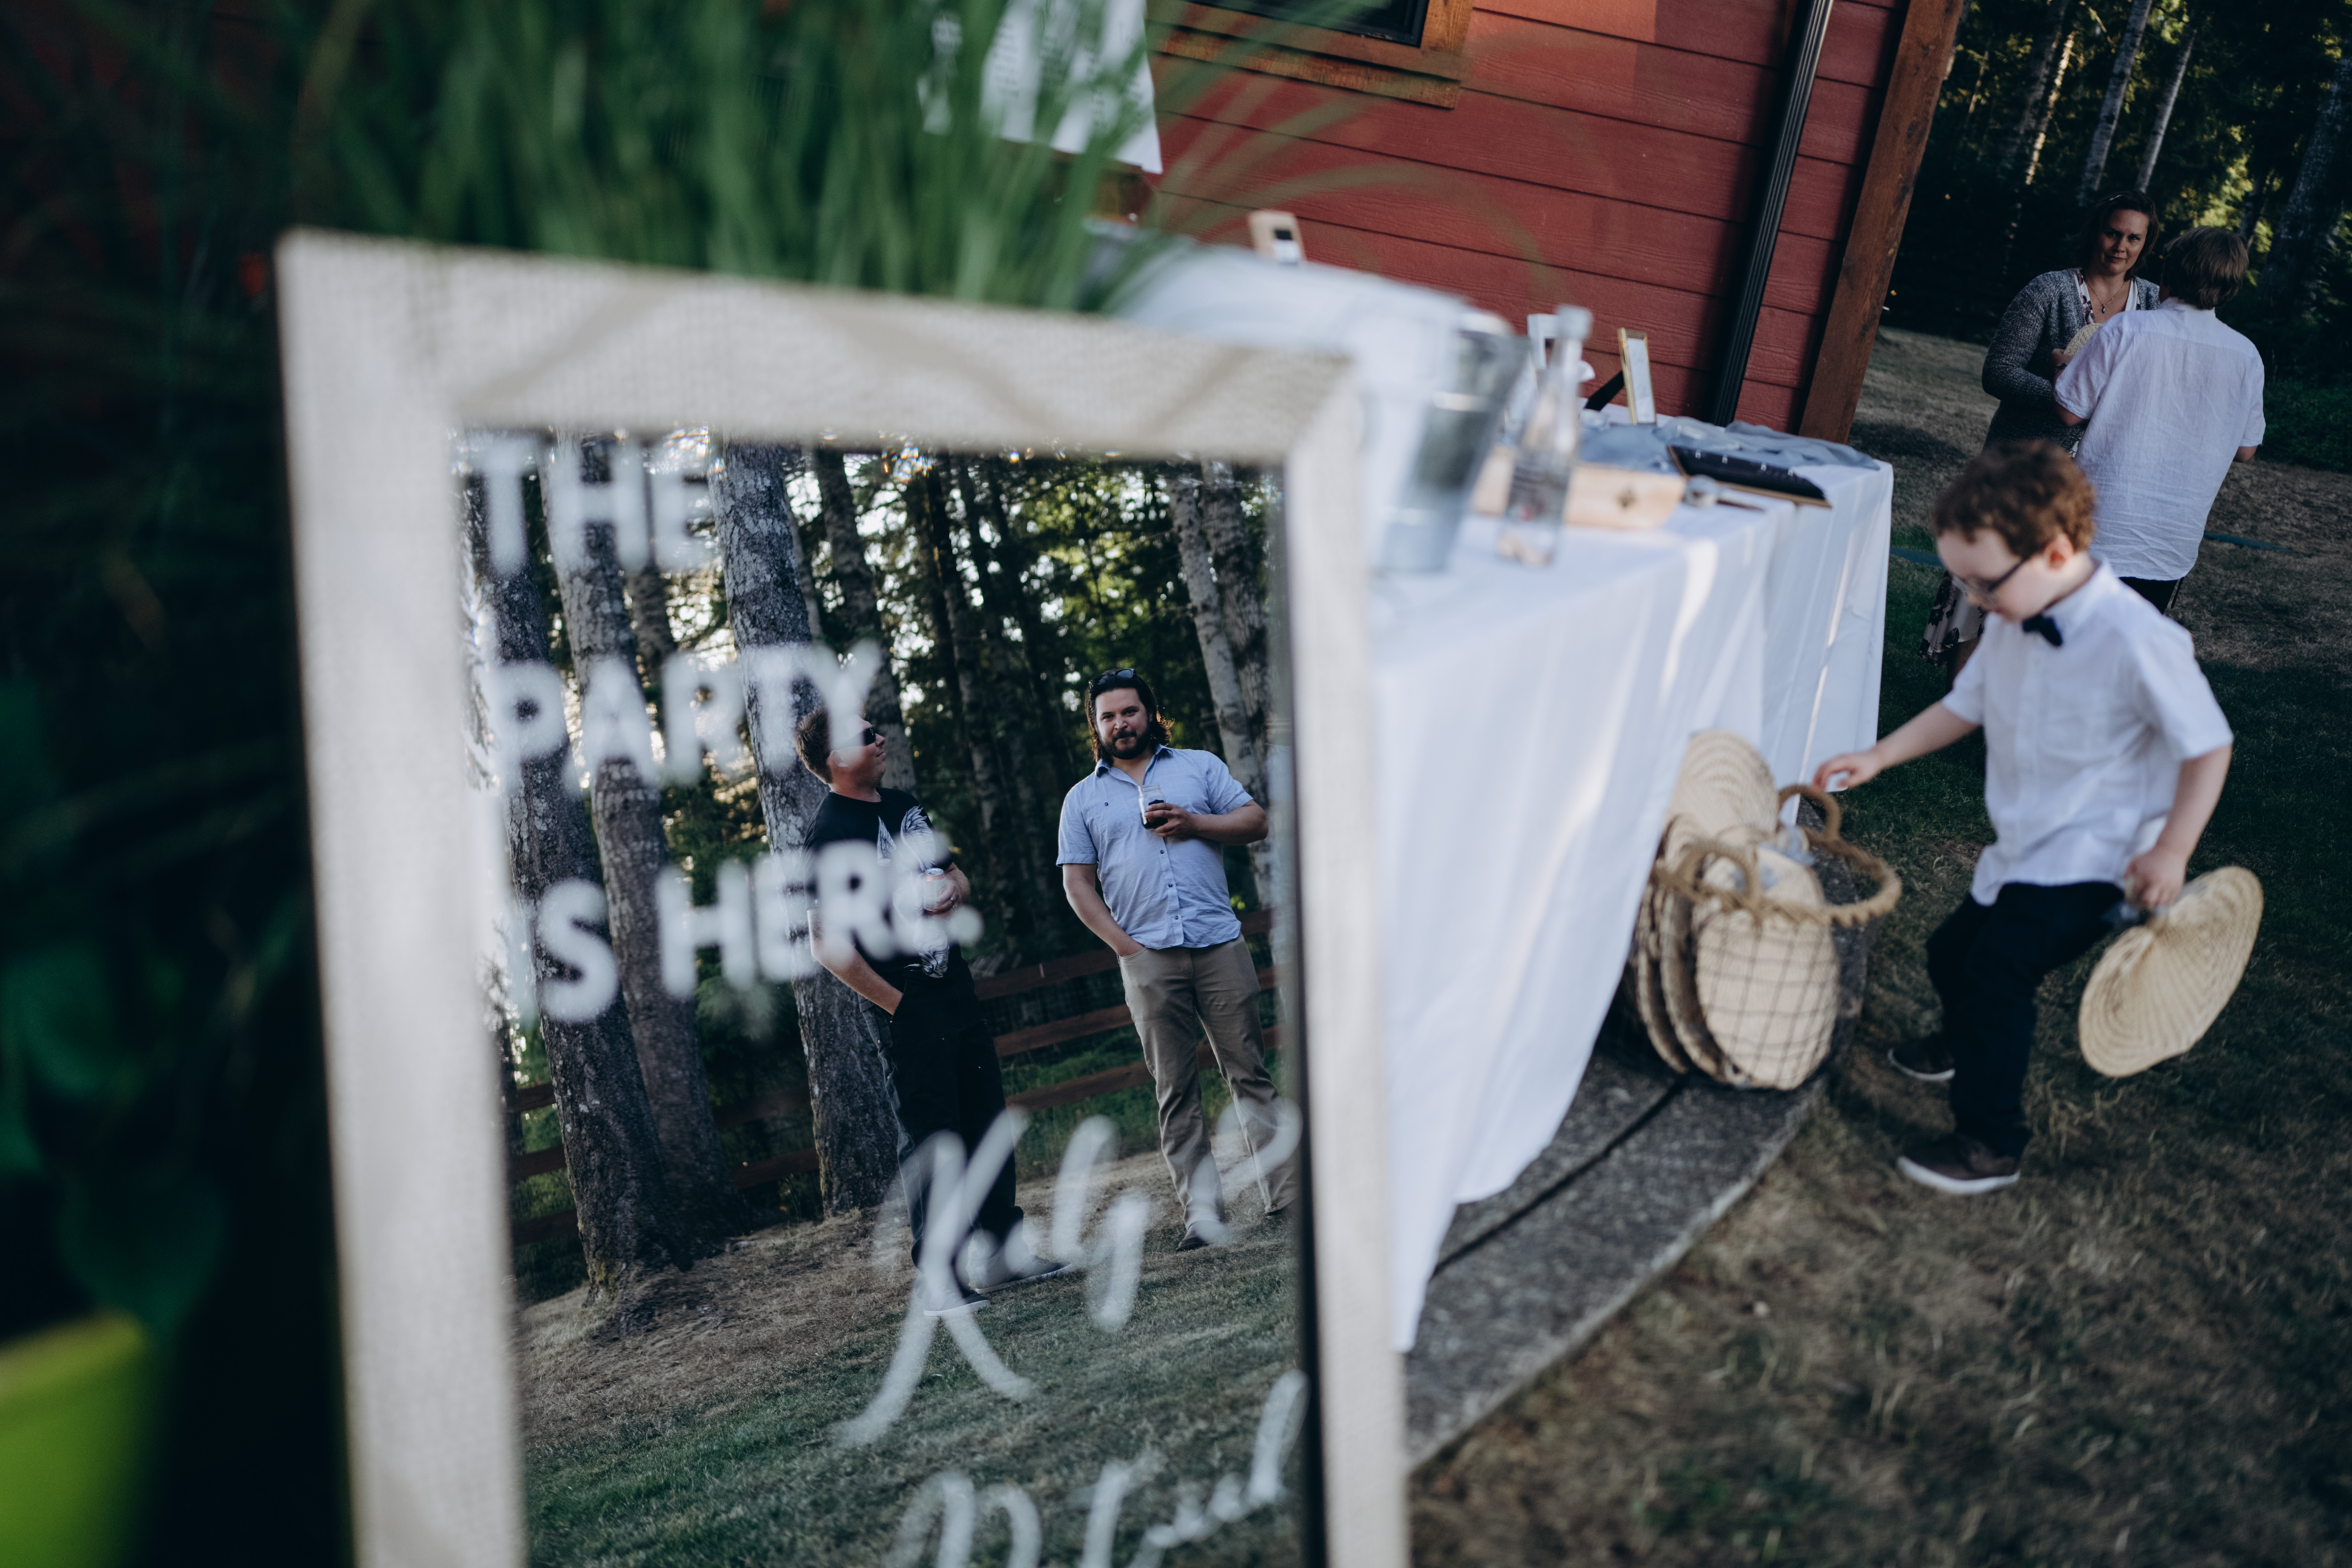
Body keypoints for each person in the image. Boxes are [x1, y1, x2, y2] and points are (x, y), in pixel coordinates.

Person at [1814, 443, 2232, 1196]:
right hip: (2025, 842)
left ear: (2057, 552)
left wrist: (2172, 849)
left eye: (1985, 581)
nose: (1974, 599)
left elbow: (2208, 746)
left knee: (1997, 973)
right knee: (1952, 955)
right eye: (1963, 581)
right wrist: (1879, 755)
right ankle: (1963, 1042)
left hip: (2100, 857)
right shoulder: (2013, 618)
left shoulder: (2138, 639)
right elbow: (1964, 705)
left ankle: (1990, 1142)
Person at [799, 707, 1067, 1313]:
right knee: (933, 1139)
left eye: (877, 729)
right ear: (837, 758)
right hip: (905, 1003)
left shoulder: (904, 807)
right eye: (865, 735)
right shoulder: (827, 834)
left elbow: (958, 876)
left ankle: (1002, 1256)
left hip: (957, 988)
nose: (880, 739)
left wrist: (952, 890)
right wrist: (899, 1005)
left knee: (986, 1122)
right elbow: (826, 945)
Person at [1057, 669, 1298, 1247]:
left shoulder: (1199, 767)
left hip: (1219, 945)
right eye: (1108, 716)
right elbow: (1078, 885)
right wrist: (1127, 949)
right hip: (1147, 958)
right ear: (1096, 727)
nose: (1120, 723)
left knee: (1250, 1074)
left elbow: (1256, 822)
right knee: (1176, 1091)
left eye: (1129, 711)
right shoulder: (1082, 798)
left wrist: (1195, 822)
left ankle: (1288, 1196)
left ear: (1150, 713)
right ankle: (1203, 1217)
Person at [1924, 192, 2162, 674]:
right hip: (2027, 459)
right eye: (2112, 233)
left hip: (2102, 471)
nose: (2120, 247)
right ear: (2095, 232)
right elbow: (1999, 371)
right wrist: (2064, 399)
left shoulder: (2155, 304)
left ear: (2146, 244)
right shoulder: (2050, 291)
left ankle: (2021, 692)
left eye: (2133, 238)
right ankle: (1963, 689)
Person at [2055, 226, 2266, 614]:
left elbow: (2069, 411)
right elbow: (2247, 450)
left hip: (2100, 527)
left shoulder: (2126, 329)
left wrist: (2063, 368)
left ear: (2171, 272)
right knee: (2130, 643)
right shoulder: (2246, 355)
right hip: (2172, 541)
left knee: (2066, 637)